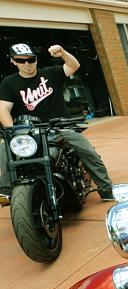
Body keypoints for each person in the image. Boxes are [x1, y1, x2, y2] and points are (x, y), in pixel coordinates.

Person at [0, 43, 113, 200]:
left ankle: (106, 189)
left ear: (36, 59)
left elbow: (74, 65)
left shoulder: (50, 73)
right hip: (30, 131)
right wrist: (12, 130)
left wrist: (62, 52)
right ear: (13, 61)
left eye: (30, 59)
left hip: (60, 126)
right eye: (21, 60)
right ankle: (6, 190)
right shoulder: (9, 82)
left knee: (88, 152)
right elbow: (3, 109)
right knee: (5, 147)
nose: (27, 64)